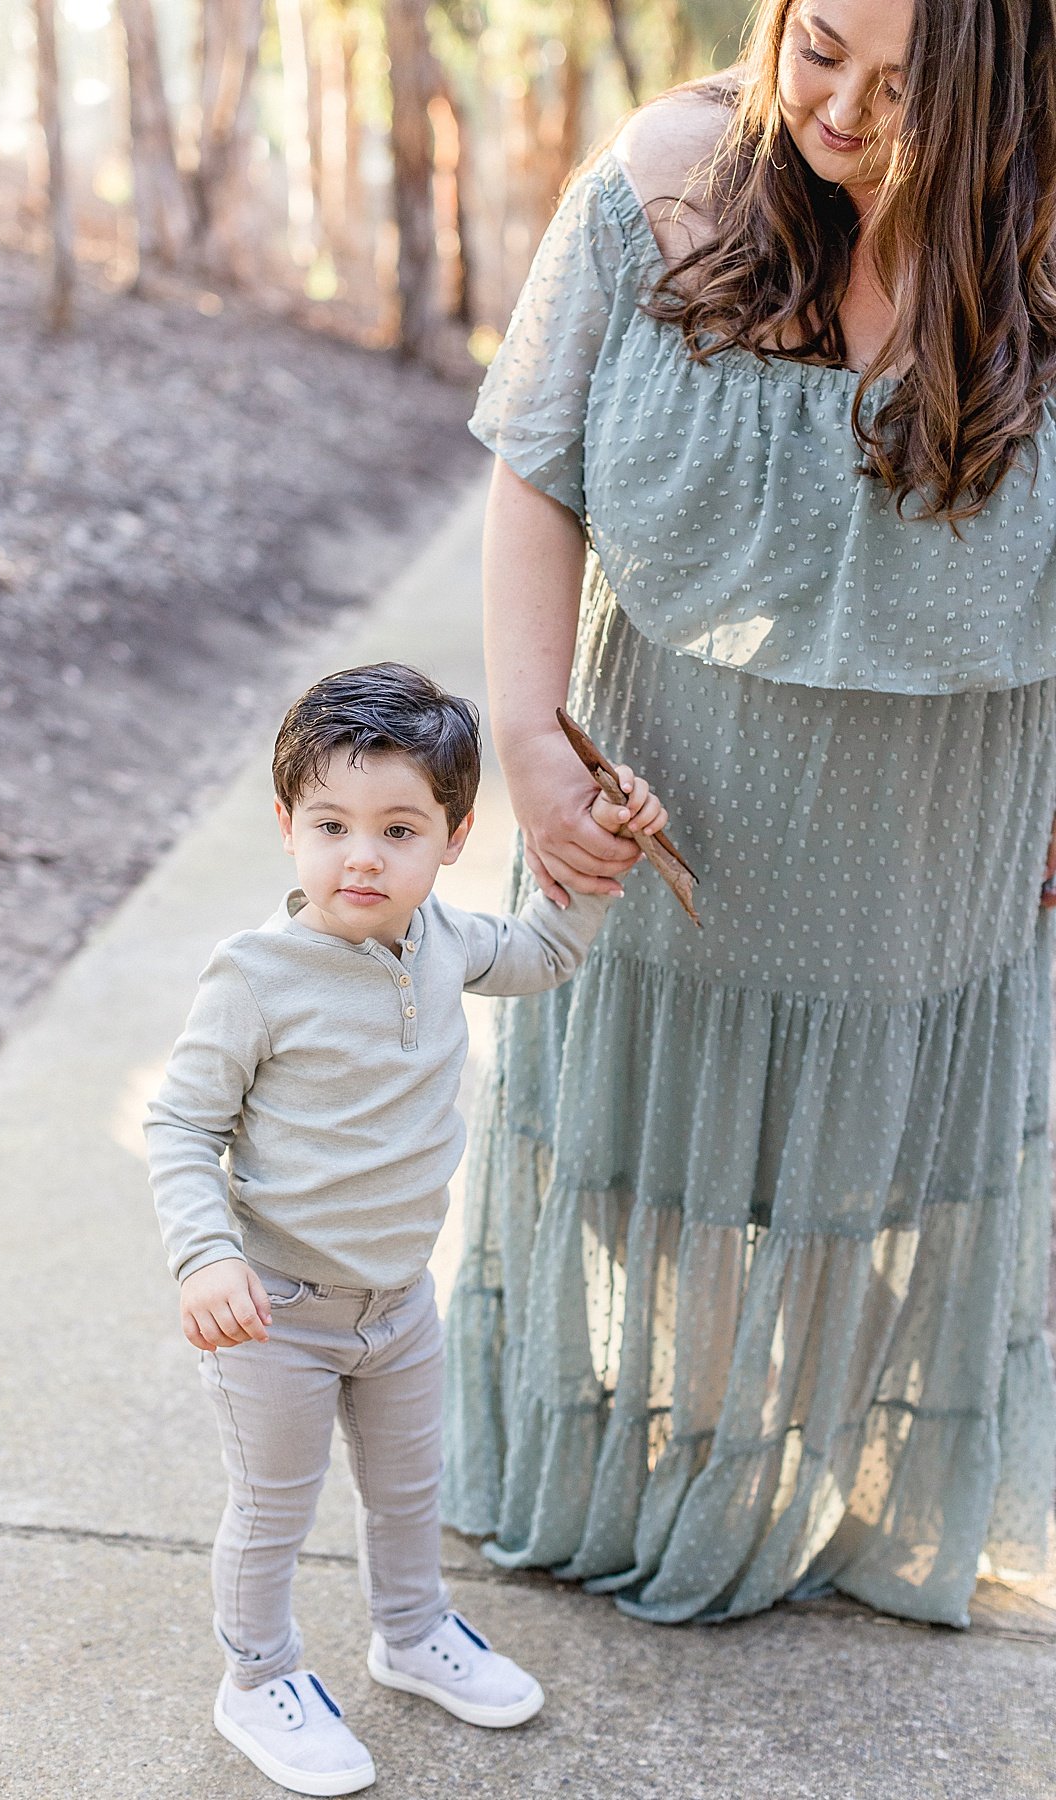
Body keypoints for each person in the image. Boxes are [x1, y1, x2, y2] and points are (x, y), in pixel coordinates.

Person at [442, 0, 1056, 1631]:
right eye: (819, 48)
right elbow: (536, 461)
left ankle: (829, 1486)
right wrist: (527, 733)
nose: (840, 110)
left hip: (943, 827)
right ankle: (684, 1463)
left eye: (905, 89)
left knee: (872, 1182)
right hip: (677, 791)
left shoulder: (1042, 235)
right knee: (662, 1186)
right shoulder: (661, 181)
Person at [145, 662, 665, 1797]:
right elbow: (180, 1125)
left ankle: (412, 1630)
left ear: (453, 836)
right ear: (286, 826)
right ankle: (258, 1679)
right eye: (330, 825)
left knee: (407, 1490)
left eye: (398, 829)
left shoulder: (442, 940)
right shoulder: (256, 977)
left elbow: (540, 955)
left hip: (397, 1306)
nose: (362, 857)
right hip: (272, 1314)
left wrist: (600, 852)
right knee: (272, 1512)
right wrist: (205, 1256)